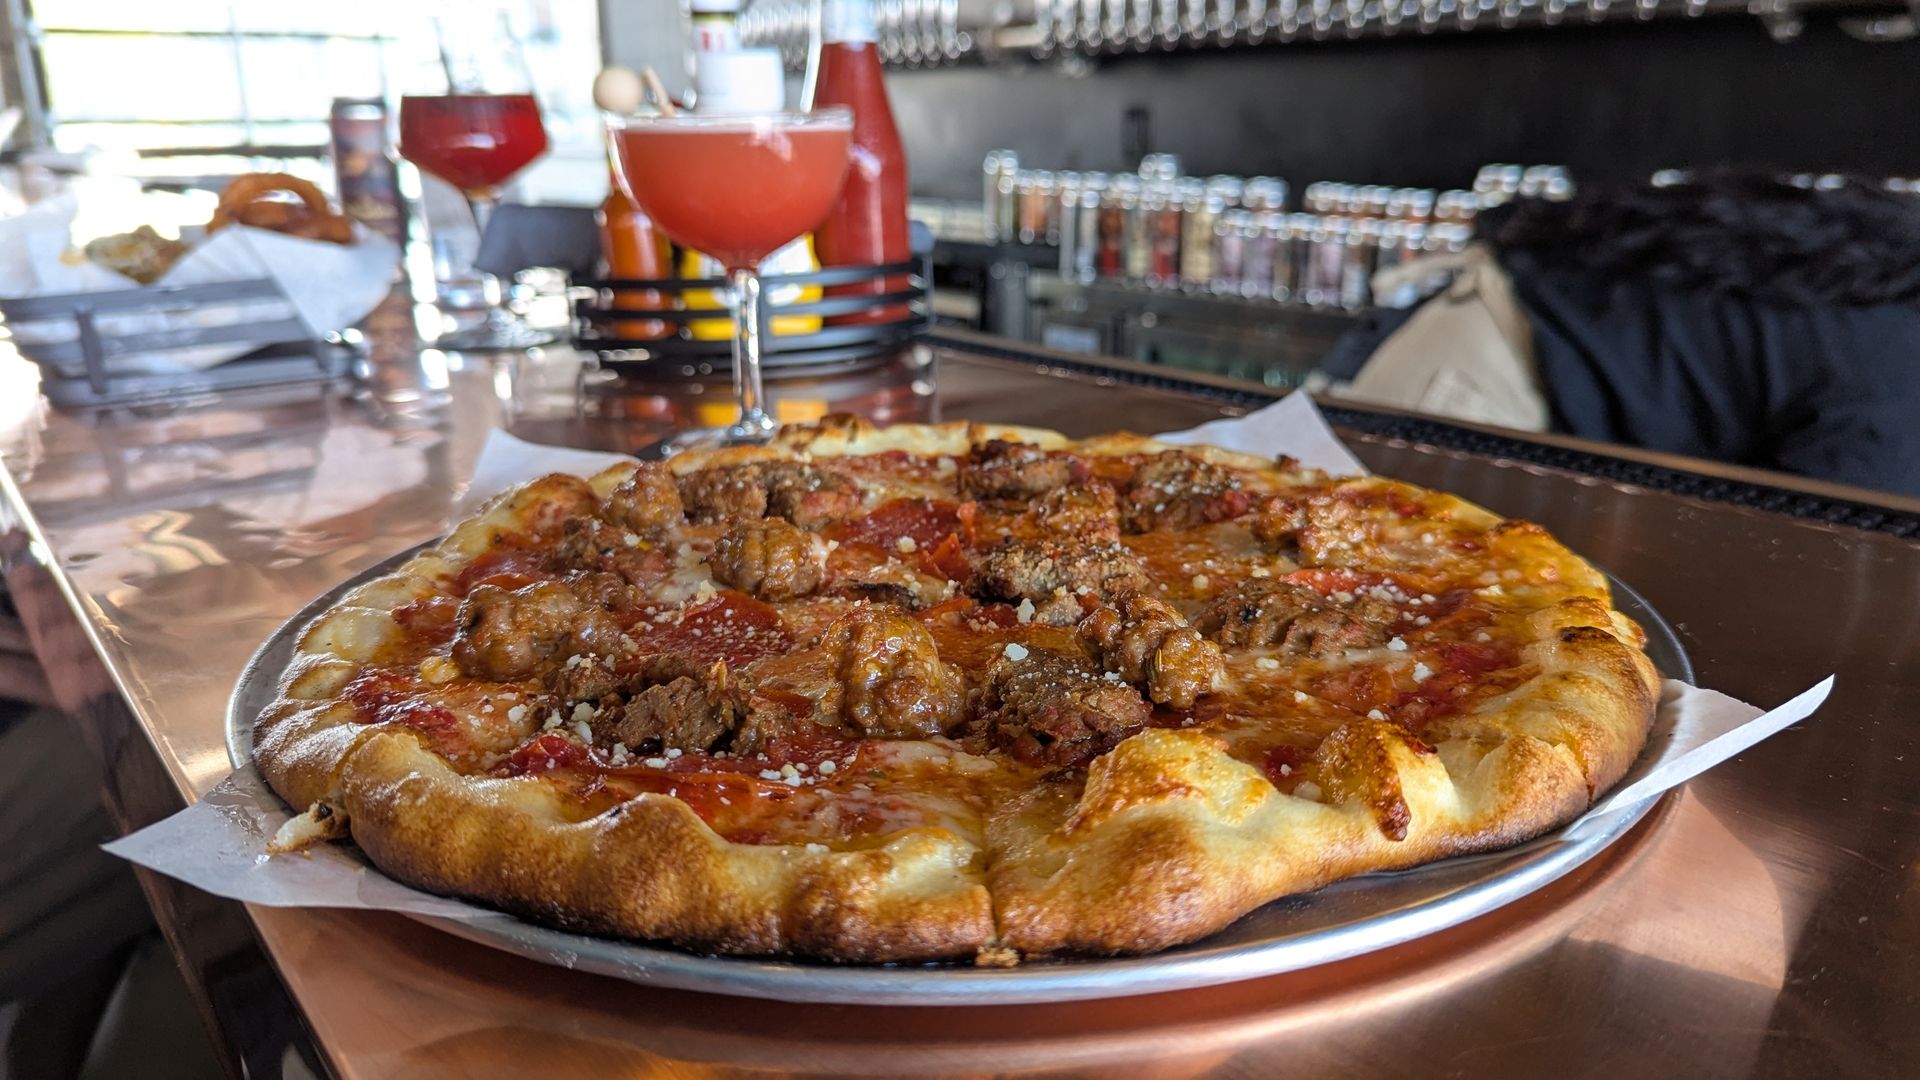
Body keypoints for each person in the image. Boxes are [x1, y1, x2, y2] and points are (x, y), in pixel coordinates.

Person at [1320, 173, 1920, 499]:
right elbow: (1829, 537)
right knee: (1373, 569)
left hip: (1544, 338)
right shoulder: (1901, 382)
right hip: (1497, 348)